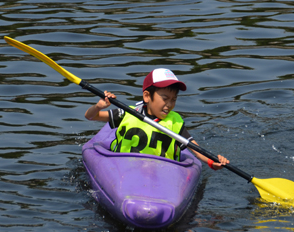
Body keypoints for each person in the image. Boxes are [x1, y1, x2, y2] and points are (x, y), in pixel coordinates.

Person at [84, 68, 230, 170]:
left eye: (173, 99)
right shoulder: (127, 113)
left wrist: (212, 162)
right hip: (123, 167)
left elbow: (195, 148)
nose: (169, 104)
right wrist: (99, 106)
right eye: (165, 98)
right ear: (147, 96)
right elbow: (90, 116)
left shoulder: (175, 122)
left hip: (162, 172)